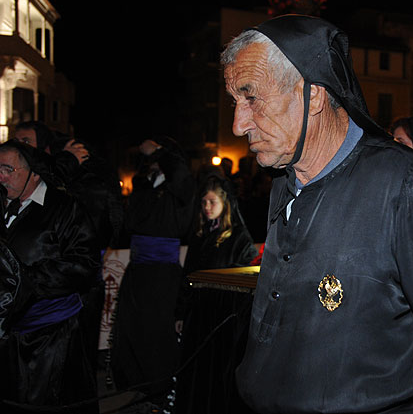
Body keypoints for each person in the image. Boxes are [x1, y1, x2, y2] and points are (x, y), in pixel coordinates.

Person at [222, 14, 413, 413]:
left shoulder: (405, 189)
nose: (238, 124)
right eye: (235, 101)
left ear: (314, 94)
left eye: (251, 97)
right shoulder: (286, 183)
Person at [0, 140, 101, 412]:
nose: (1, 177)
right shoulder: (3, 204)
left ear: (33, 172)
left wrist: (27, 280)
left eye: (8, 169)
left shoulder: (65, 208)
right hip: (9, 337)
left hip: (51, 339)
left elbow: (85, 264)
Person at [110, 136, 196, 411]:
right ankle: (141, 387)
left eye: (159, 158)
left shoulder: (180, 190)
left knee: (158, 334)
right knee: (133, 329)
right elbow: (131, 222)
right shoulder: (144, 186)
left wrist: (160, 151)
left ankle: (162, 391)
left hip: (162, 274)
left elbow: (180, 172)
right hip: (138, 271)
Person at [176, 172, 258, 414]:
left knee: (219, 372)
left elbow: (242, 281)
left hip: (223, 320)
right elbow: (187, 277)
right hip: (197, 317)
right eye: (204, 202)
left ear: (225, 203)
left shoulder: (239, 239)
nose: (207, 207)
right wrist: (180, 313)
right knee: (197, 371)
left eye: (213, 202)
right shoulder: (200, 237)